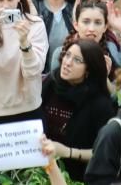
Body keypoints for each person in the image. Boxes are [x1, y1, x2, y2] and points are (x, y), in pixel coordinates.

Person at [40, 38, 116, 181]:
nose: (67, 63)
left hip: (76, 175)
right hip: (42, 167)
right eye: (67, 55)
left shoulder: (100, 104)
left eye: (77, 60)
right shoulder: (52, 82)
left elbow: (104, 153)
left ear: (89, 70)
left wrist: (68, 152)